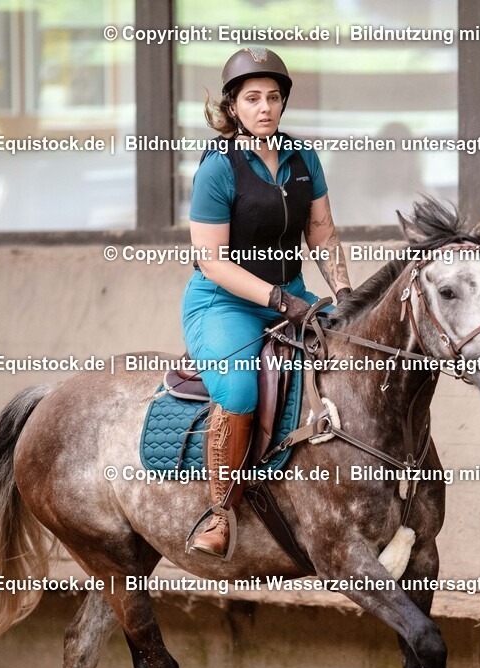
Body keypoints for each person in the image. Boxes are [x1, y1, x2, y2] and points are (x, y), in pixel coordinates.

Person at [183, 47, 352, 557]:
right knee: (237, 391)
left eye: (273, 98)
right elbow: (212, 262)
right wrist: (281, 299)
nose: (265, 108)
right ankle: (219, 513)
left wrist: (345, 294)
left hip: (293, 297)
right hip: (223, 304)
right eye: (252, 98)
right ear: (233, 106)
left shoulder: (305, 159)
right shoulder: (217, 169)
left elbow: (321, 234)